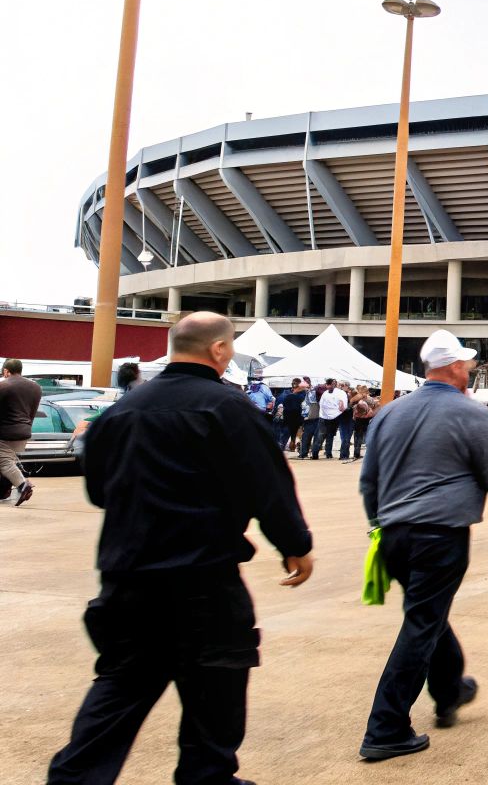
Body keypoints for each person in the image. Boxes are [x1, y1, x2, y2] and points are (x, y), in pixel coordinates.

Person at [46, 313, 314, 784]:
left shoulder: (122, 411)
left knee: (119, 689)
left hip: (128, 578)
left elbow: (99, 492)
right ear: (218, 350)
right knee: (217, 689)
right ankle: (206, 777)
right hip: (204, 579)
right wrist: (294, 545)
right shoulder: (228, 409)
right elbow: (267, 484)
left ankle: (75, 778)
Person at [356, 329, 488, 762]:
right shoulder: (472, 415)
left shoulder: (389, 414)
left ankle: (450, 690)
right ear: (453, 367)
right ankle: (386, 727)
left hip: (393, 533)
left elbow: (369, 479)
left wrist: (378, 523)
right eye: (467, 364)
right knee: (422, 623)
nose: (470, 369)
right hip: (440, 533)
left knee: (427, 614)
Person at [1, 357, 44, 506]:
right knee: (9, 460)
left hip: (6, 432)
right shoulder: (36, 387)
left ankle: (23, 485)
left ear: (6, 371)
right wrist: (26, 427)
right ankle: (4, 490)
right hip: (24, 431)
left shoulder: (4, 386)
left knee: (4, 462)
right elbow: (32, 412)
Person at [319, 378, 351, 459]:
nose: (340, 386)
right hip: (338, 416)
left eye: (342, 385)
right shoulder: (337, 393)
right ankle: (331, 453)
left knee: (341, 436)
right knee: (334, 435)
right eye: (339, 385)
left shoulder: (350, 394)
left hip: (342, 416)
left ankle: (341, 454)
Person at [347, 385, 377, 462]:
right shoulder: (363, 399)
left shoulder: (362, 399)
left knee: (360, 437)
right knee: (361, 437)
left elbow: (351, 405)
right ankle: (359, 454)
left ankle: (357, 454)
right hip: (363, 420)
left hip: (362, 420)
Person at [279, 378, 307, 452]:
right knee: (290, 435)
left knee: (293, 435)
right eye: (293, 383)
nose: (294, 385)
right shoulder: (289, 394)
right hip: (292, 418)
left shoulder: (301, 394)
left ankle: (296, 448)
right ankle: (291, 447)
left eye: (296, 384)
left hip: (295, 418)